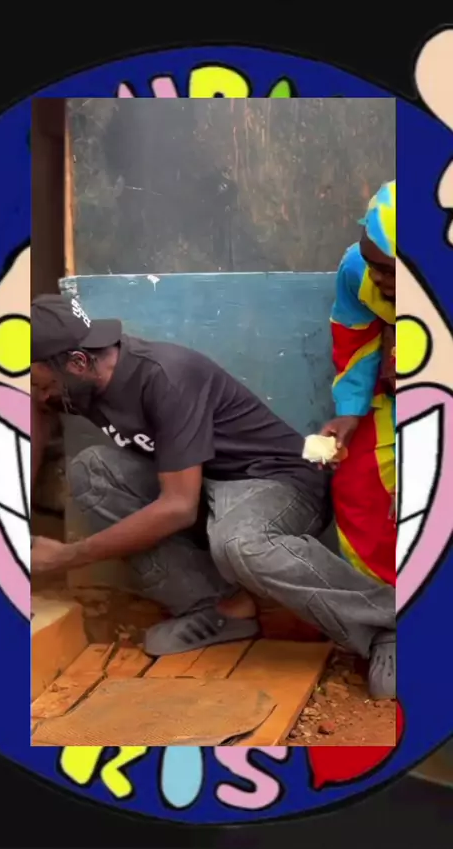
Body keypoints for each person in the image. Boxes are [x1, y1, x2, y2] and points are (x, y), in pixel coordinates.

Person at [31, 293, 396, 698]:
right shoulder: (79, 378)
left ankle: (388, 626)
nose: (40, 394)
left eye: (40, 384)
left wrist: (68, 556)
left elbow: (178, 508)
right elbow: (35, 412)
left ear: (77, 363)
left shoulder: (164, 376)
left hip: (274, 480)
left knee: (240, 543)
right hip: (204, 485)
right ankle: (220, 609)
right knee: (93, 471)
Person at [320, 181, 396, 587]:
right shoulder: (355, 269)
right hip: (393, 396)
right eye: (372, 264)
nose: (376, 278)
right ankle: (384, 602)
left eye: (389, 270)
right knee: (358, 484)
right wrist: (349, 410)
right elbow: (356, 340)